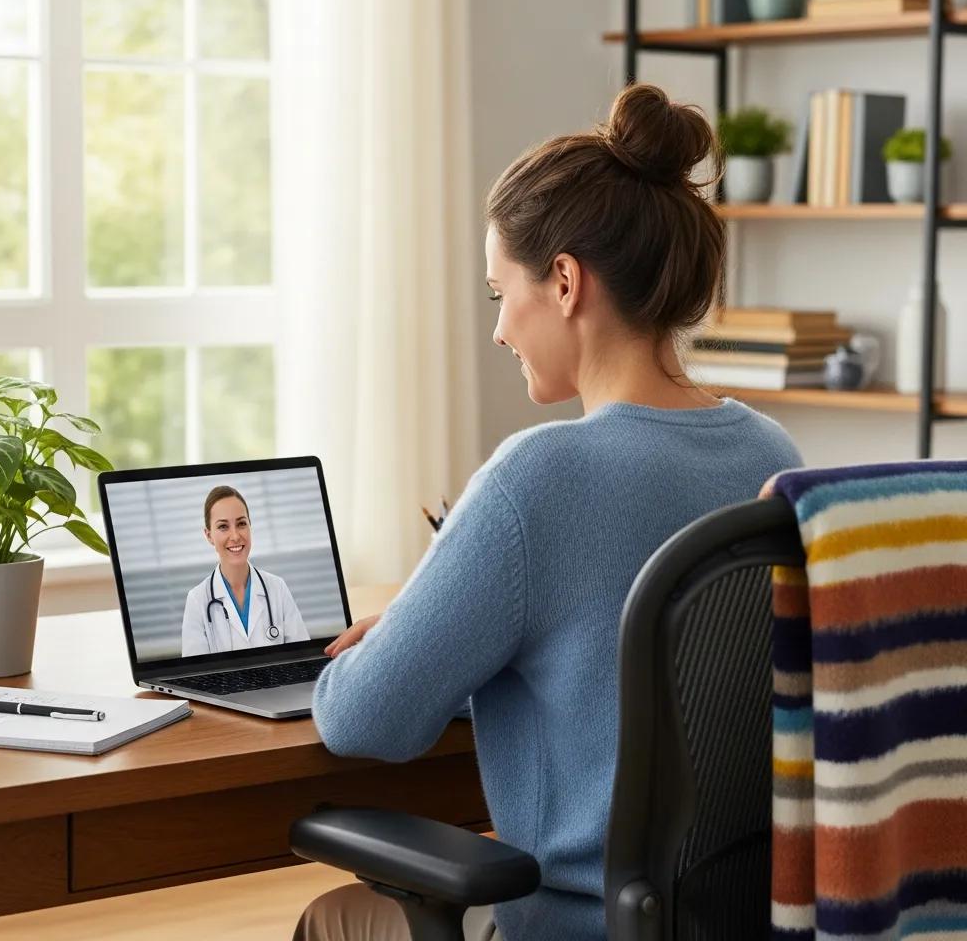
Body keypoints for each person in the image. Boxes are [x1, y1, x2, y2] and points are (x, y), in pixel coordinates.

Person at [294, 83, 803, 941]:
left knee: (332, 919)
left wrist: (400, 634)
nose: (499, 330)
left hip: (571, 927)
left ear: (564, 281)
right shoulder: (773, 458)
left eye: (500, 294)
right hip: (740, 921)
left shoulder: (538, 475)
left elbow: (359, 720)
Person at [181, 485, 309, 656]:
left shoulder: (277, 588)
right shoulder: (197, 600)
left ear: (250, 526)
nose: (235, 536)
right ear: (209, 535)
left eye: (241, 524)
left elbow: (302, 658)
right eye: (223, 527)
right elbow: (194, 676)